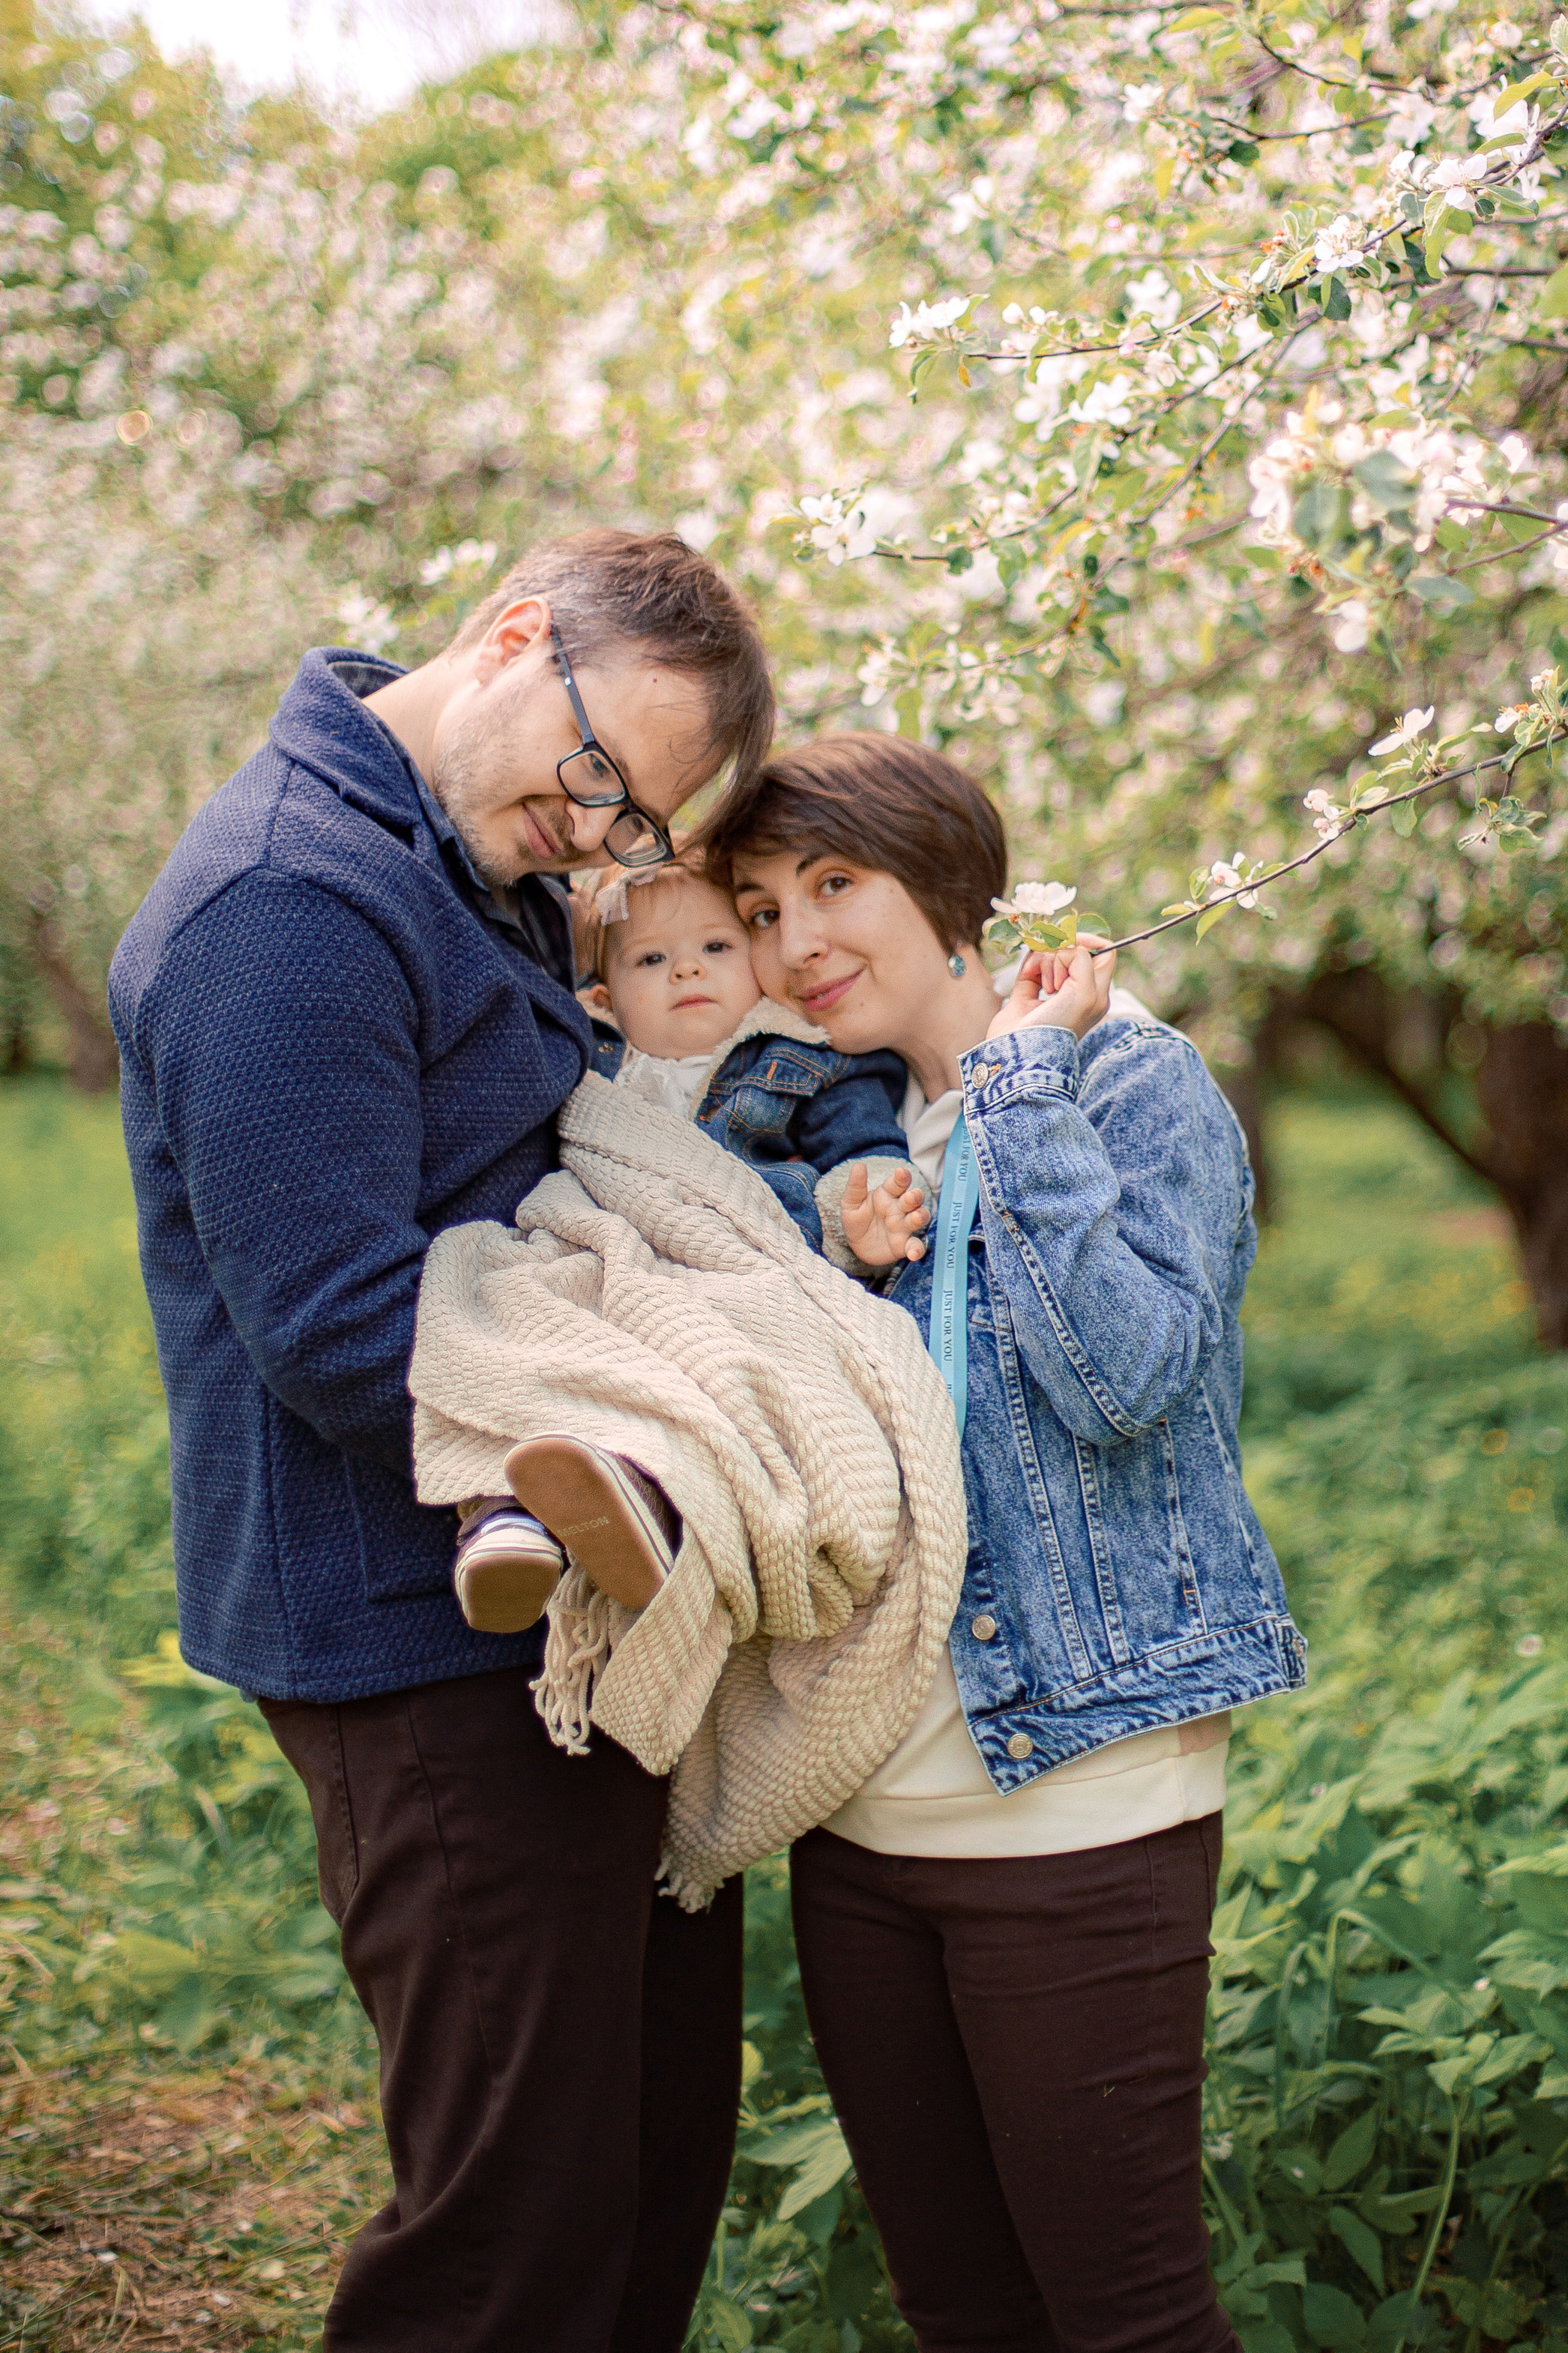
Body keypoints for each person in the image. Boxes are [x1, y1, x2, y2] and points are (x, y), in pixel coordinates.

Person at [108, 530, 774, 2353]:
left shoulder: (460, 855)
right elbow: (341, 1328)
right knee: (510, 2234)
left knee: (644, 2155)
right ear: (509, 635)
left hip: (588, 1606)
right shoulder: (289, 903)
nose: (593, 832)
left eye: (633, 817)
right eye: (594, 775)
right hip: (422, 1634)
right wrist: (679, 1390)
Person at [705, 733, 1308, 2353]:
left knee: (1125, 2318)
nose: (794, 942)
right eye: (758, 909)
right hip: (858, 1815)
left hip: (1074, 1805)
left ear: (945, 883)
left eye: (833, 884)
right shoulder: (835, 1142)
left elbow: (1122, 1382)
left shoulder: (1124, 1082)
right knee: (961, 2308)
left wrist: (1020, 1086)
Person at [453, 855, 934, 1634]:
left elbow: (869, 1157)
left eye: (715, 947)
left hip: (737, 1268)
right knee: (515, 1304)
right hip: (611, 1256)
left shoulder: (803, 1055)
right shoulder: (587, 1064)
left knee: (733, 1374)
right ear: (603, 998)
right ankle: (509, 1511)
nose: (687, 969)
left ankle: (660, 1513)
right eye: (651, 960)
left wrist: (867, 1214)